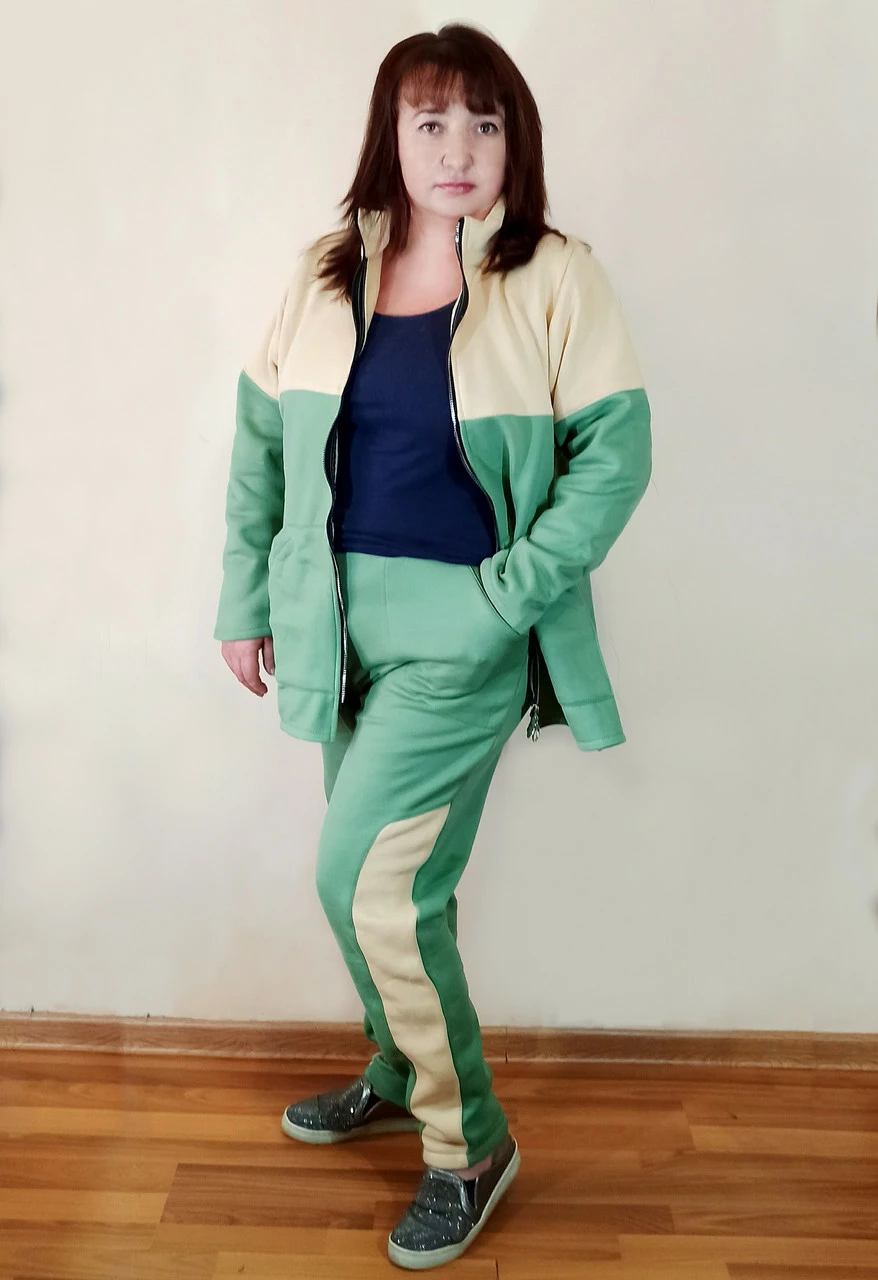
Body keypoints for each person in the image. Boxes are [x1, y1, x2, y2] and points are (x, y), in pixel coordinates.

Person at [214, 22, 651, 1271]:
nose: (458, 148)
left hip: (460, 638)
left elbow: (615, 457)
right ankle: (402, 1068)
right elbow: (259, 452)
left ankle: (469, 1144)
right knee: (394, 892)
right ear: (390, 136)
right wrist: (246, 600)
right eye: (430, 122)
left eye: (484, 122)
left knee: (364, 883)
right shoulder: (320, 274)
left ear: (516, 140)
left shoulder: (554, 274)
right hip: (331, 626)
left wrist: (503, 597)